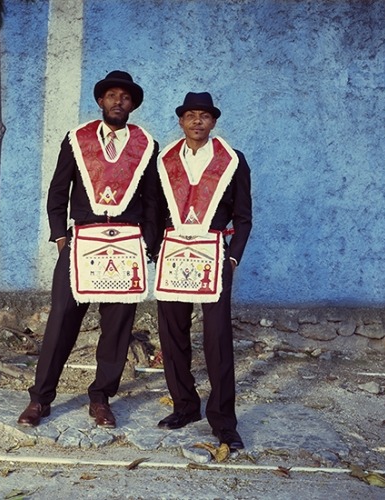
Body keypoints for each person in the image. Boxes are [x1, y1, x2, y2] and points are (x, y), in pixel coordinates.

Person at [18, 71, 160, 429]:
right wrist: (60, 237)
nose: (118, 102)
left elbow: (154, 201)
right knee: (61, 319)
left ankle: (101, 398)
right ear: (100, 101)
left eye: (125, 98)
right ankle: (40, 398)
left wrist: (150, 244)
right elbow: (57, 190)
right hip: (81, 240)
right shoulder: (77, 139)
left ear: (133, 105)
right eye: (111, 95)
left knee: (116, 328)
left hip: (126, 244)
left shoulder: (146, 144)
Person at [154, 92, 252, 451]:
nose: (197, 121)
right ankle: (184, 406)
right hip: (174, 251)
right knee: (172, 333)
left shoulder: (232, 161)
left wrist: (233, 258)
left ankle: (224, 421)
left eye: (205, 116)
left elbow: (243, 216)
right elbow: (153, 208)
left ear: (213, 122)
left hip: (214, 254)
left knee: (217, 339)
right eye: (190, 115)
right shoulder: (164, 160)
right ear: (181, 121)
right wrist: (154, 249)